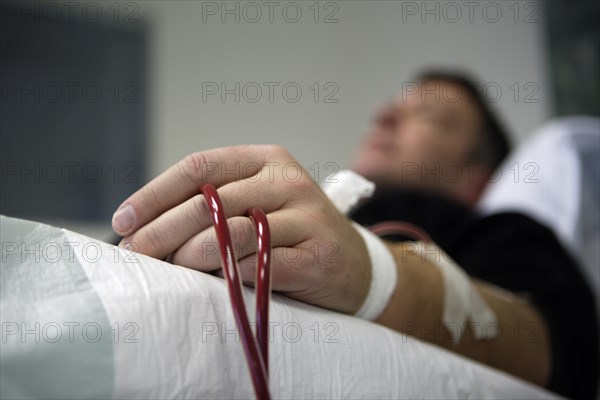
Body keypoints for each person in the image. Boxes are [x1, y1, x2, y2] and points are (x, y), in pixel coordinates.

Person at [111, 71, 598, 399]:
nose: (385, 117)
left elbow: (565, 355)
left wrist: (371, 274)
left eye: (429, 116)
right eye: (394, 107)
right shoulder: (300, 206)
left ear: (477, 178)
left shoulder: (505, 232)